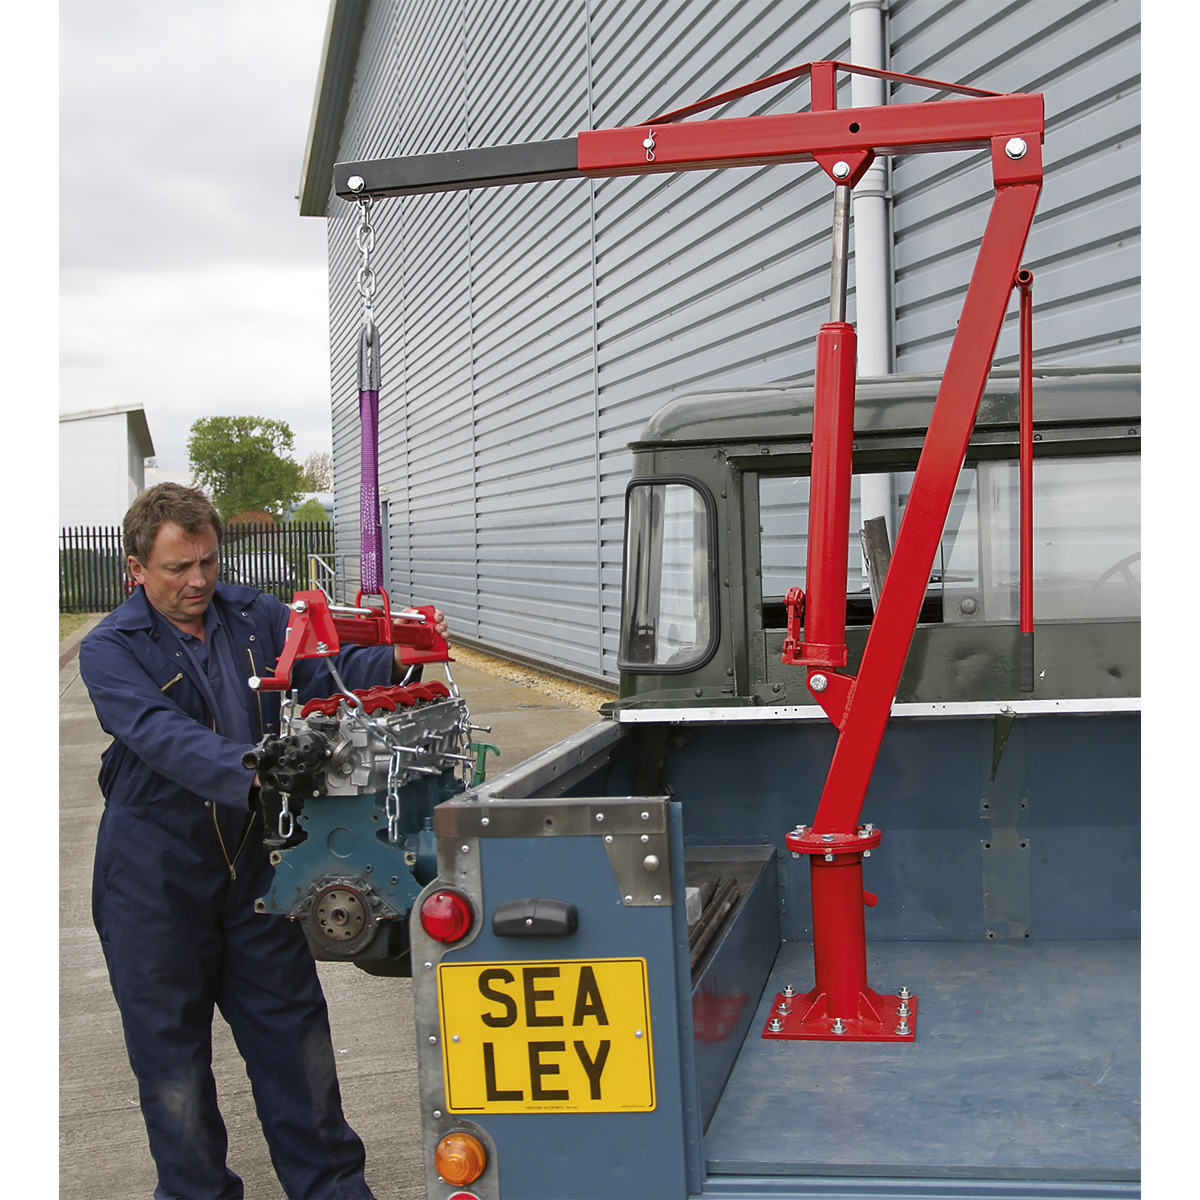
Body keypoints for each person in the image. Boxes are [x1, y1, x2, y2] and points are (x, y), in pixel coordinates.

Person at [79, 483, 447, 1200]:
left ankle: (333, 1189)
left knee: (295, 1039)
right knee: (172, 1063)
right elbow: (156, 733)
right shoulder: (111, 648)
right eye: (177, 568)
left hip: (259, 864)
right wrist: (253, 769)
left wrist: (400, 654)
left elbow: (325, 670)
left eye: (208, 562)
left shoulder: (257, 615)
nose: (197, 581)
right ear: (136, 569)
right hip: (155, 876)